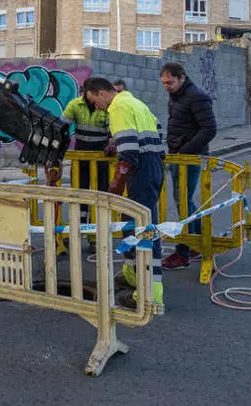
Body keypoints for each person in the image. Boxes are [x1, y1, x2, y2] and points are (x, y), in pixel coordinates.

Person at [84, 78, 166, 309]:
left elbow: (129, 153)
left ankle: (150, 294)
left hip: (141, 168)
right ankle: (132, 275)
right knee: (133, 223)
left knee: (144, 229)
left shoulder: (118, 108)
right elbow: (159, 131)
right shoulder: (137, 103)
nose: (96, 108)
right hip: (153, 164)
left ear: (100, 93)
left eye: (94, 102)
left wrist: (115, 186)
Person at [159, 62, 217, 270]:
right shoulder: (177, 96)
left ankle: (183, 253)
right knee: (185, 202)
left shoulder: (196, 96)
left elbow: (209, 129)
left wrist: (185, 152)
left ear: (182, 77)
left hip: (189, 159)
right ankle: (200, 243)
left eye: (170, 82)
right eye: (164, 83)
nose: (167, 87)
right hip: (178, 156)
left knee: (183, 203)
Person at [46, 79, 112, 247]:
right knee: (80, 198)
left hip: (101, 160)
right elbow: (62, 127)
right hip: (80, 159)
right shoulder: (75, 105)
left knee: (101, 198)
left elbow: (113, 131)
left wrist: (112, 142)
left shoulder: (107, 107)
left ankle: (96, 237)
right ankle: (79, 232)